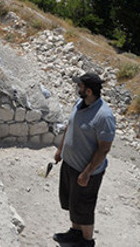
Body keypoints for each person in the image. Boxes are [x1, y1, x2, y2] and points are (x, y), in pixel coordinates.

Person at [52, 72, 116, 247]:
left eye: (79, 86)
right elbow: (69, 126)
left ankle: (87, 241)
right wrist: (60, 150)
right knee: (72, 203)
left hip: (86, 172)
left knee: (84, 208)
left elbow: (104, 148)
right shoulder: (79, 104)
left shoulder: (104, 116)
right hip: (70, 164)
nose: (76, 88)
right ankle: (75, 232)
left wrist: (87, 172)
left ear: (88, 91)